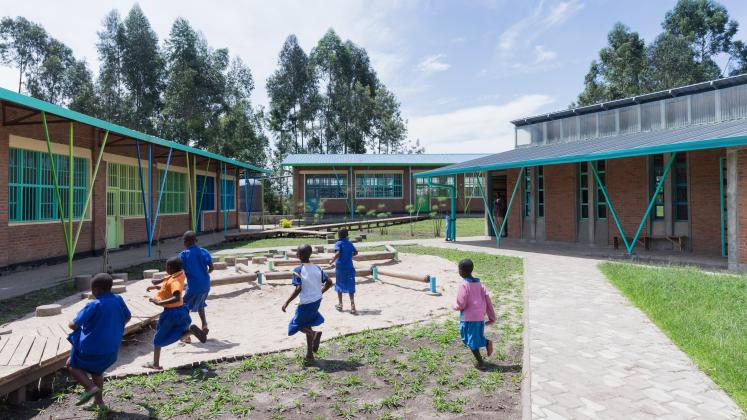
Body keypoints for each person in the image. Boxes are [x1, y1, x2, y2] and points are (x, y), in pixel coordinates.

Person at [67, 273, 131, 406]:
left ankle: (90, 388)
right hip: (111, 349)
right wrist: (116, 328)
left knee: (72, 365)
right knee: (97, 372)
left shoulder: (94, 305)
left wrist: (70, 322)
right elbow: (128, 316)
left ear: (96, 289)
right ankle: (99, 402)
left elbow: (74, 325)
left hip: (92, 349)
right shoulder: (118, 299)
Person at [144, 257, 206, 370]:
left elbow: (176, 297)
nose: (166, 268)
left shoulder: (175, 281)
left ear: (171, 268)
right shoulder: (180, 275)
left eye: (167, 267)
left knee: (158, 339)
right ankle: (190, 332)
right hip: (182, 310)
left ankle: (155, 363)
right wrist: (156, 287)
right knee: (180, 332)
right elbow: (167, 288)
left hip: (170, 313)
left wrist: (159, 303)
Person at [282, 244, 333, 361]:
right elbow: (329, 282)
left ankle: (314, 334)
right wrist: (320, 292)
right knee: (308, 323)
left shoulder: (298, 270)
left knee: (295, 325)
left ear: (298, 255)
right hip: (317, 300)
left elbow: (298, 288)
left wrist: (287, 302)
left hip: (305, 303)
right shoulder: (317, 268)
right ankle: (310, 354)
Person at [452, 258, 496, 369]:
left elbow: (461, 304)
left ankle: (481, 363)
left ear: (462, 271)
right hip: (479, 317)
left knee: (470, 341)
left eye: (459, 270)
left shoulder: (464, 285)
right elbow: (488, 301)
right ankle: (486, 343)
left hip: (469, 318)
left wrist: (455, 306)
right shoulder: (480, 285)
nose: (459, 272)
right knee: (470, 338)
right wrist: (492, 317)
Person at [179, 230, 214, 337]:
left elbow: (179, 271)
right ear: (195, 241)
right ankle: (204, 324)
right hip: (206, 285)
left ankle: (186, 334)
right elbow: (211, 268)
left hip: (193, 286)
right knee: (200, 303)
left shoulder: (183, 255)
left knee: (184, 307)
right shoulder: (204, 251)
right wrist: (203, 275)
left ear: (185, 241)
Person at [328, 228, 358, 314]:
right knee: (350, 284)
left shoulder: (338, 243)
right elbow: (356, 252)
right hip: (349, 266)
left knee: (339, 284)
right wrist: (348, 255)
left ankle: (340, 304)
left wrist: (332, 261)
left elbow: (338, 253)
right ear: (347, 235)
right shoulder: (349, 243)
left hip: (340, 267)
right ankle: (353, 306)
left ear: (339, 235)